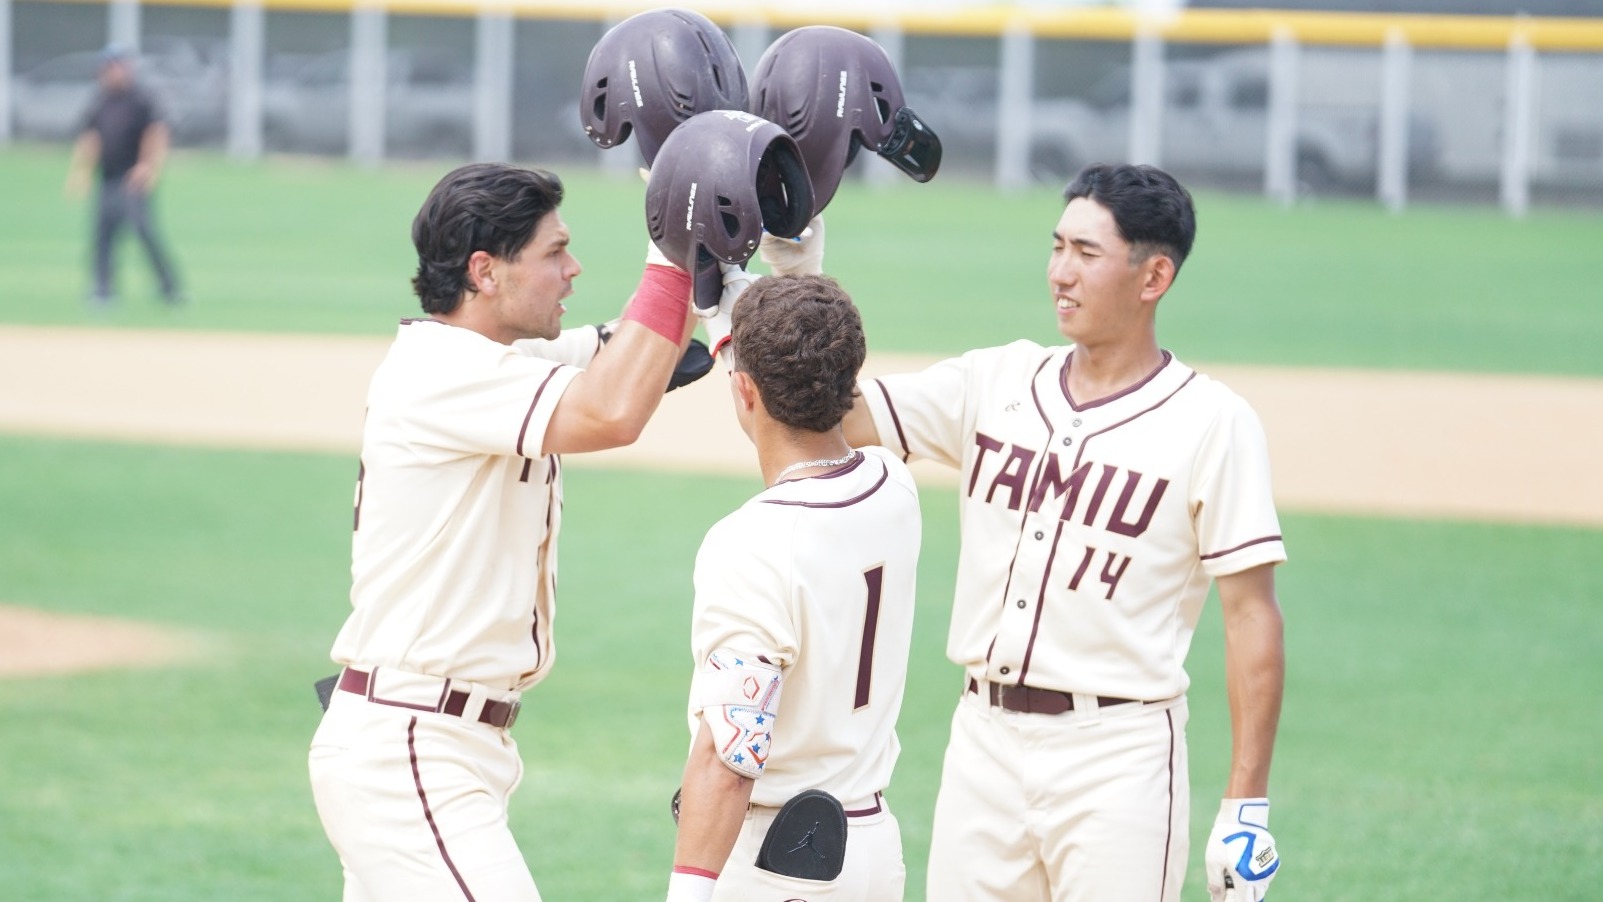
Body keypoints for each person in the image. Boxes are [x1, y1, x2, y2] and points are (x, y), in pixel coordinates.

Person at [835, 163, 1287, 902]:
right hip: (980, 743)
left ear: (1153, 277)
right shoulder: (996, 382)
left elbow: (1250, 615)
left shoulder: (1212, 424)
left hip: (1118, 758)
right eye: (1056, 247)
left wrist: (1245, 804)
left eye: (1085, 253)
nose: (1058, 273)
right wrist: (789, 276)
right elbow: (837, 414)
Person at [308, 162, 698, 902]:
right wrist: (668, 251)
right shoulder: (441, 370)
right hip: (410, 750)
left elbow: (649, 349)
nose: (573, 269)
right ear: (485, 272)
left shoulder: (502, 358)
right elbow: (611, 410)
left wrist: (711, 241)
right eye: (554, 252)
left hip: (434, 743)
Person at [666, 274, 921, 902]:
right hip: (871, 850)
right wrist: (732, 329)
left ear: (744, 391)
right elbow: (799, 383)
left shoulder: (751, 541)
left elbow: (730, 755)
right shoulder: (893, 485)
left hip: (775, 867)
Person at [65, 45, 183, 306]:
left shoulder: (141, 98)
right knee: (103, 235)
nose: (112, 72)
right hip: (107, 176)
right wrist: (80, 172)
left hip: (132, 177)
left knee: (144, 232)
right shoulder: (101, 99)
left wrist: (147, 166)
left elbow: (156, 133)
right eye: (108, 67)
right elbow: (89, 137)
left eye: (117, 66)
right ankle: (103, 290)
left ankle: (169, 288)